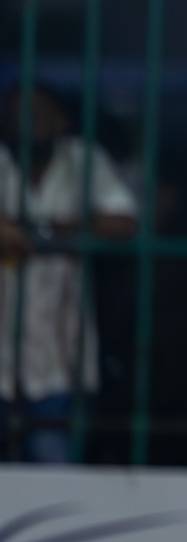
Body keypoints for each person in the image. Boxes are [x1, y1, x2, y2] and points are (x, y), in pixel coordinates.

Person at [0, 83, 136, 462]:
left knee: (52, 472)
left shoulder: (82, 161)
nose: (27, 122)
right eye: (17, 112)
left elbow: (124, 222)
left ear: (62, 120)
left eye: (38, 112)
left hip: (57, 359)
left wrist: (43, 233)